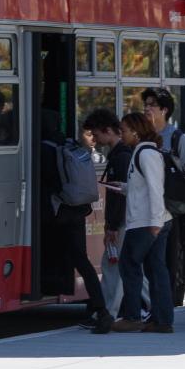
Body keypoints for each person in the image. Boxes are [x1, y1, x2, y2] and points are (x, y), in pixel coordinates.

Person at [38, 110, 112, 334]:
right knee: (82, 260)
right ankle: (99, 308)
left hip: (56, 211)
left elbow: (47, 182)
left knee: (52, 251)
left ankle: (97, 308)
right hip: (77, 210)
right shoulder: (69, 142)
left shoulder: (42, 148)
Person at [111, 112, 174, 333]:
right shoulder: (143, 151)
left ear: (136, 132)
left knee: (129, 265)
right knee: (155, 269)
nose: (122, 134)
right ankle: (161, 320)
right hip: (153, 220)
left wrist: (155, 222)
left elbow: (157, 188)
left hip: (147, 222)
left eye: (124, 130)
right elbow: (145, 186)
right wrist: (125, 188)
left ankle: (132, 316)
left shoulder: (146, 153)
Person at [82, 107, 141, 319]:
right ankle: (153, 307)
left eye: (96, 134)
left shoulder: (120, 157)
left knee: (112, 266)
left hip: (122, 221)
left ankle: (108, 312)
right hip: (127, 220)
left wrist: (112, 227)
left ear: (108, 130)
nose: (94, 139)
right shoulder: (122, 154)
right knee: (129, 267)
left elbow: (119, 195)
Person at [141, 87, 185, 307]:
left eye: (151, 105)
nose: (147, 108)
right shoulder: (144, 136)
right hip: (148, 205)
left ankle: (171, 301)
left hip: (172, 208)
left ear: (164, 110)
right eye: (145, 104)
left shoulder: (177, 137)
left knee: (171, 256)